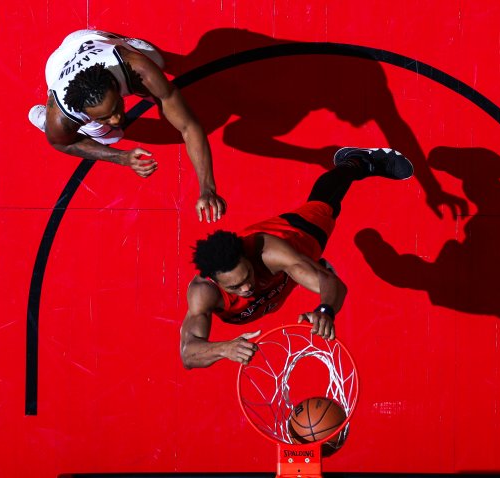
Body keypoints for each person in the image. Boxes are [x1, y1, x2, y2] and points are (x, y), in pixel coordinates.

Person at [179, 147, 414, 368]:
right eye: (235, 286)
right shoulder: (204, 292)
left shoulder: (268, 252)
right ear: (215, 282)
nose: (247, 286)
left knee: (325, 206)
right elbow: (188, 353)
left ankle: (356, 162)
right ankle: (310, 268)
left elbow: (333, 283)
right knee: (309, 271)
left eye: (247, 275)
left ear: (247, 257)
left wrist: (325, 310)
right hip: (280, 284)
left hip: (298, 239)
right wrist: (224, 349)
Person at [29, 30, 226, 222]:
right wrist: (121, 157)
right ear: (84, 114)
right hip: (57, 67)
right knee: (111, 136)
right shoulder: (63, 113)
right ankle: (44, 121)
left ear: (115, 86)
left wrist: (207, 188)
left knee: (157, 65)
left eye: (116, 108)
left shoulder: (136, 68)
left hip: (88, 39)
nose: (115, 119)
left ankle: (122, 41)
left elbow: (188, 126)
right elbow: (62, 144)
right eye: (104, 117)